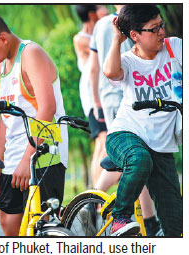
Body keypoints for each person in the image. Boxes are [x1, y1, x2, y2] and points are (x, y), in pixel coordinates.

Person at [0, 12, 69, 236]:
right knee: (8, 221)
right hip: (14, 157)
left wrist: (27, 159)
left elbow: (47, 109)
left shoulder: (31, 54)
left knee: (41, 226)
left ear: (3, 39)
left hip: (42, 155)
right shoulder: (5, 63)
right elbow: (6, 117)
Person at [103, 5, 182, 236]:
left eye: (161, 25)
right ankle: (119, 217)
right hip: (126, 135)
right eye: (153, 29)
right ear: (135, 35)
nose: (161, 32)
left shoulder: (175, 47)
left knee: (176, 226)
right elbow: (110, 72)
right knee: (139, 159)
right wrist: (117, 40)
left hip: (162, 146)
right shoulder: (127, 60)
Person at [90, 5, 162, 236]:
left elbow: (93, 68)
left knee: (138, 161)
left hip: (110, 97)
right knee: (132, 160)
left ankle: (149, 221)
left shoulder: (103, 25)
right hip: (124, 100)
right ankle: (93, 201)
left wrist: (95, 102)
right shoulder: (130, 25)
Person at [73, 5, 107, 188]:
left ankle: (97, 196)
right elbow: (104, 47)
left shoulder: (102, 31)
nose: (106, 9)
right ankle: (97, 196)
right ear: (93, 14)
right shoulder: (81, 39)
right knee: (102, 141)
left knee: (103, 144)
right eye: (102, 6)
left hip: (105, 97)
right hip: (94, 100)